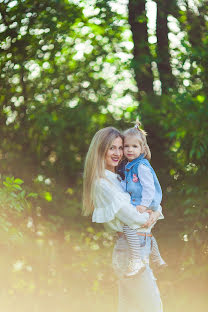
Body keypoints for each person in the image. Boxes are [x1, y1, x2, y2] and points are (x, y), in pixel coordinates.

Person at [83, 127, 163, 312]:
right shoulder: (102, 183)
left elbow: (150, 203)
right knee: (153, 307)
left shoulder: (120, 178)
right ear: (100, 150)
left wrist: (156, 212)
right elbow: (135, 218)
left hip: (135, 247)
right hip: (129, 251)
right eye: (112, 148)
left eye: (120, 148)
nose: (118, 153)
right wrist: (154, 213)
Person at [120, 120, 166, 276]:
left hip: (145, 204)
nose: (130, 150)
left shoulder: (141, 166)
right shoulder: (131, 165)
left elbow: (149, 188)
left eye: (134, 146)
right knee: (146, 231)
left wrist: (144, 205)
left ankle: (136, 259)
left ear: (143, 149)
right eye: (126, 146)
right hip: (142, 204)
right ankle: (158, 258)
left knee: (128, 227)